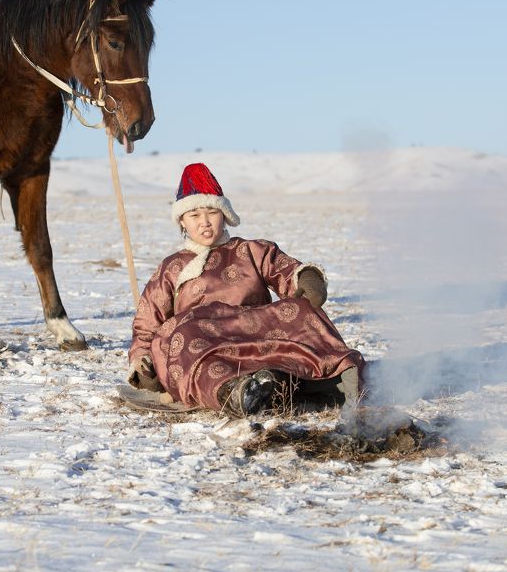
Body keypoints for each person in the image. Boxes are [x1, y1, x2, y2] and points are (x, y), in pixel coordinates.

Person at [127, 163, 366, 418]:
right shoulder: (172, 267)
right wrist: (143, 359)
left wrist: (306, 277)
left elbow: (284, 270)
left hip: (255, 333)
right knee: (181, 335)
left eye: (212, 213)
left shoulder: (250, 250)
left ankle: (331, 376)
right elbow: (148, 320)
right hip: (204, 344)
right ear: (182, 221)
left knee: (300, 308)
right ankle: (235, 392)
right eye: (195, 216)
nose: (205, 223)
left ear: (225, 214)